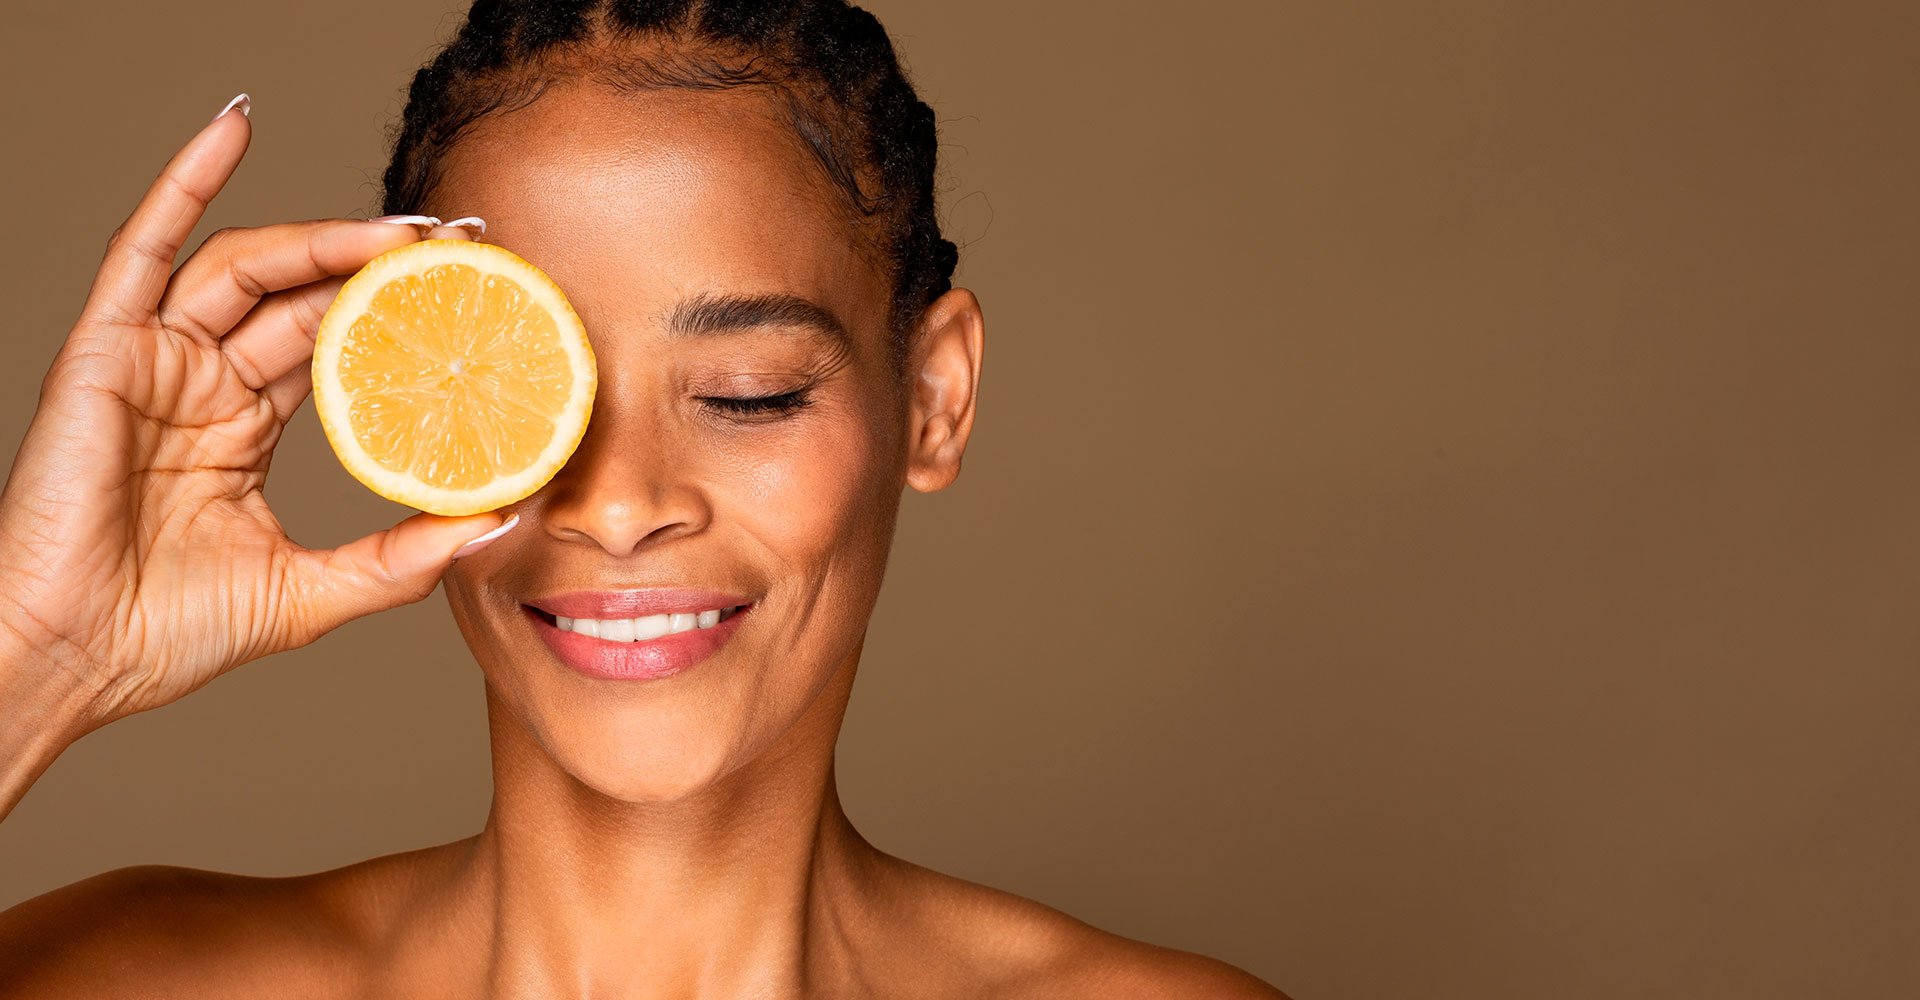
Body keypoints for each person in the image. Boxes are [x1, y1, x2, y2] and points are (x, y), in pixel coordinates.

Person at [0, 2, 1284, 995]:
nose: (615, 506)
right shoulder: (113, 975)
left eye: (748, 393)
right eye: (538, 401)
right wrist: (33, 656)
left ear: (935, 398)